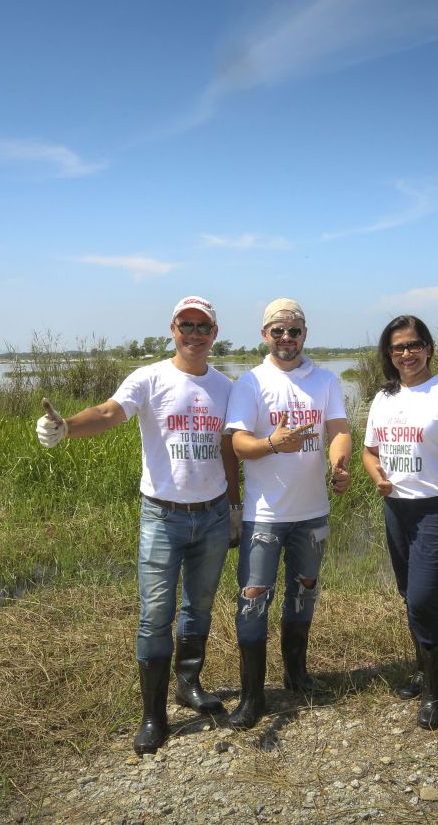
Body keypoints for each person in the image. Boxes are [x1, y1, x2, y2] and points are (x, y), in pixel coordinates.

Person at [35, 296, 241, 754]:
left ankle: (188, 685)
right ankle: (154, 715)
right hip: (162, 517)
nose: (194, 333)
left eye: (202, 327)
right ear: (173, 328)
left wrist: (234, 508)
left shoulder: (226, 387)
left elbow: (228, 450)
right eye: (186, 325)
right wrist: (66, 426)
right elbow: (109, 413)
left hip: (210, 515)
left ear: (214, 333)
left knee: (200, 607)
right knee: (154, 615)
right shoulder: (150, 377)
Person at [223, 298, 353, 730]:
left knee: (305, 592)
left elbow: (338, 431)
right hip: (264, 515)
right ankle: (251, 695)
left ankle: (297, 676)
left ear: (304, 335)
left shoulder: (326, 381)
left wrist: (339, 463)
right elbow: (239, 444)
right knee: (253, 598)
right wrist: (274, 444)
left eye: (294, 330)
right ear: (264, 335)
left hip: (312, 513)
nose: (286, 339)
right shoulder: (250, 383)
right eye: (277, 331)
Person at [361, 315, 438, 730]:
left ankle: (436, 691)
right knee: (409, 592)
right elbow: (370, 451)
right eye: (397, 348)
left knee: (424, 595)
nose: (406, 354)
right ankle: (423, 669)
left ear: (428, 347)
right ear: (388, 355)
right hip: (397, 508)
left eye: (413, 345)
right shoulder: (383, 398)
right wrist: (378, 478)